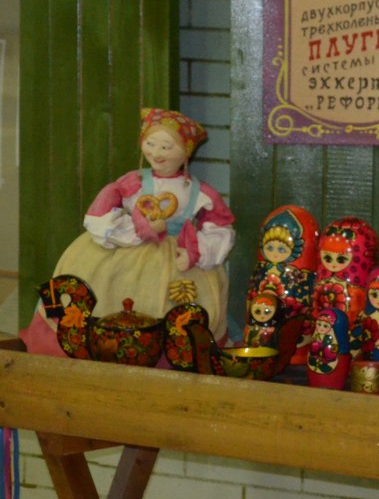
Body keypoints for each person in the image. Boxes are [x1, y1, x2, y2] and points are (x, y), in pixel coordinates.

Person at [22, 108, 235, 352]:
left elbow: (220, 227)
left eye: (166, 147)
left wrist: (197, 252)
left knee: (174, 304)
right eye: (150, 144)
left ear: (186, 152)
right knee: (101, 284)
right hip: (123, 249)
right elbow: (99, 213)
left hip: (176, 257)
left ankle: (161, 355)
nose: (156, 153)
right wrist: (136, 230)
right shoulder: (131, 183)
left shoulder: (198, 192)